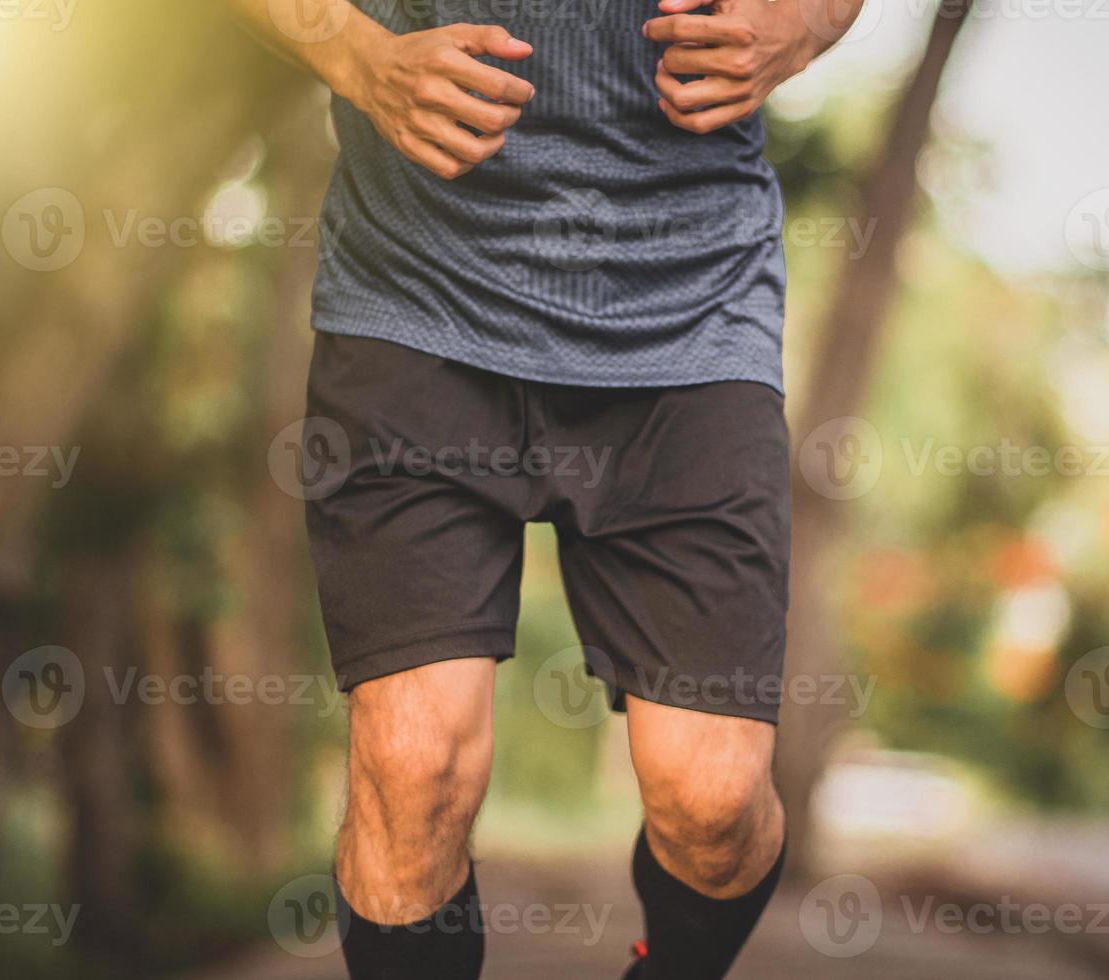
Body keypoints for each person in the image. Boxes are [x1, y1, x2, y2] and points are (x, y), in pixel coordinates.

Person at [231, 0, 863, 975]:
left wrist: (808, 21)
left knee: (715, 801)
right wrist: (354, 54)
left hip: (688, 310)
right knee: (413, 769)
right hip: (417, 292)